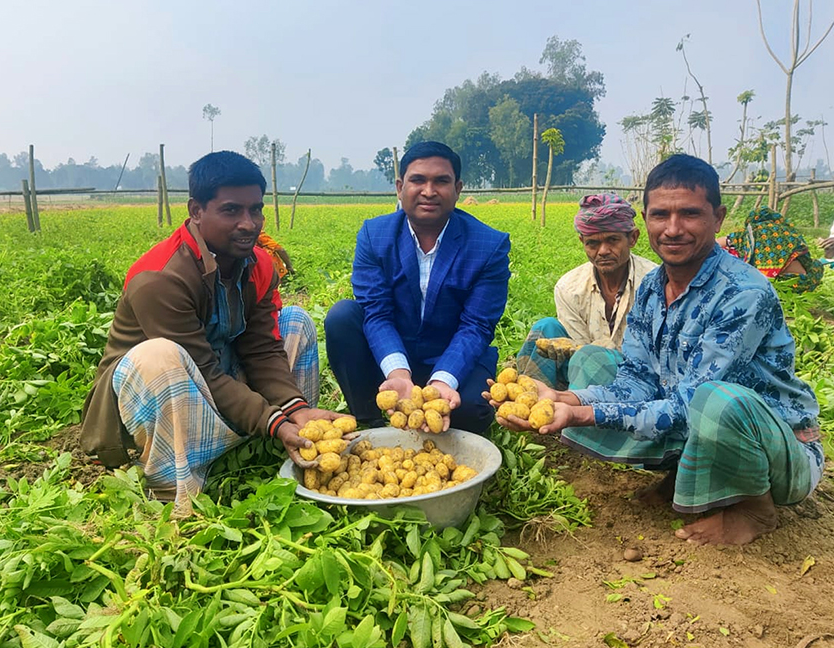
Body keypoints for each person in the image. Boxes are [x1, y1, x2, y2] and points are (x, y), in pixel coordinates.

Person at [493, 154, 824, 546]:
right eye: (660, 215)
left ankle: (755, 508)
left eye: (689, 214)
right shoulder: (653, 288)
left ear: (717, 219)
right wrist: (567, 397)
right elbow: (635, 378)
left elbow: (689, 406)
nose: (673, 229)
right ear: (645, 220)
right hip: (700, 424)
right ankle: (682, 474)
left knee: (716, 399)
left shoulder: (743, 294)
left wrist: (582, 414)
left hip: (779, 453)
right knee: (598, 364)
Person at [80, 151, 344, 505]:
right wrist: (272, 420)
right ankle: (173, 487)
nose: (249, 223)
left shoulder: (258, 263)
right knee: (159, 354)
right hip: (164, 401)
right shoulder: (159, 278)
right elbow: (201, 368)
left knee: (295, 321)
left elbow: (261, 347)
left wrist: (293, 409)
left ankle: (295, 443)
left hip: (218, 382)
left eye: (255, 209)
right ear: (196, 211)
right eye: (231, 210)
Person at [325, 141, 511, 434]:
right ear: (400, 187)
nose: (428, 191)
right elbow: (377, 313)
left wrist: (442, 381)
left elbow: (476, 326)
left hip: (451, 354)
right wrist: (398, 373)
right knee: (342, 317)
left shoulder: (489, 245)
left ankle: (443, 392)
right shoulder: (375, 236)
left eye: (441, 181)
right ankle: (369, 419)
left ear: (458, 189)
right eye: (418, 180)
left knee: (472, 410)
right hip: (390, 353)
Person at [517, 194, 657, 389]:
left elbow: (652, 354)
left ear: (633, 238)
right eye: (593, 243)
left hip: (638, 376)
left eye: (612, 240)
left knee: (592, 358)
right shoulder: (569, 287)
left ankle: (572, 413)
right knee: (546, 328)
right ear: (582, 241)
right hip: (581, 367)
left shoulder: (653, 282)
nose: (603, 251)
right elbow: (577, 349)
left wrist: (598, 354)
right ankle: (530, 399)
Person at [717, 206, 825, 292]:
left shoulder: (749, 233)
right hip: (798, 283)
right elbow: (807, 259)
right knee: (816, 266)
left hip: (759, 285)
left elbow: (717, 243)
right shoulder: (790, 233)